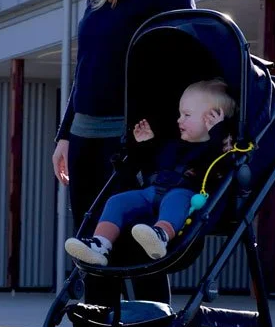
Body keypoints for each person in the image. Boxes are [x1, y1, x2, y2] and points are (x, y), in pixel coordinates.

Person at [52, 0, 194, 327]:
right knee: (94, 254)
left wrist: (156, 131)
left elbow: (181, 61)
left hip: (136, 142)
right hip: (87, 140)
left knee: (140, 253)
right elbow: (88, 66)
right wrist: (66, 133)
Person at [65, 78, 234, 266]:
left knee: (175, 198)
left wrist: (218, 131)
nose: (179, 120)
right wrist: (145, 144)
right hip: (152, 192)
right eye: (180, 114)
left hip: (186, 195)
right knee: (117, 201)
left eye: (186, 115)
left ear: (211, 118)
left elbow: (220, 167)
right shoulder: (172, 144)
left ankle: (160, 235)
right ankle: (100, 244)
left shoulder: (216, 149)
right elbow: (150, 166)